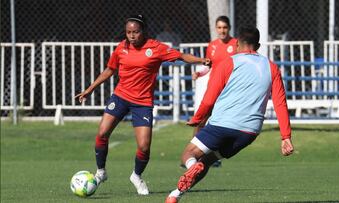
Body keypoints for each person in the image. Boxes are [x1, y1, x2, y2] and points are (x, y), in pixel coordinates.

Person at [74, 14, 210, 196]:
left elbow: (181, 56)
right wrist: (89, 89)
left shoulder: (156, 48)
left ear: (143, 31)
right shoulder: (121, 47)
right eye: (128, 32)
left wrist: (201, 61)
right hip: (120, 97)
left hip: (142, 103)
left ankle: (136, 176)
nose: (131, 35)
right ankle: (101, 172)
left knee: (144, 146)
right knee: (102, 132)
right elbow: (110, 70)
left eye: (135, 32)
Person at [165, 25, 294, 203]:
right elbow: (280, 103)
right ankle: (175, 195)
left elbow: (210, 97)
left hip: (222, 124)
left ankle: (191, 167)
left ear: (237, 44)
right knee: (207, 162)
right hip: (248, 132)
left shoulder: (229, 62)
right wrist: (285, 136)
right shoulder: (271, 68)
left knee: (189, 155)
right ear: (258, 46)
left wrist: (198, 118)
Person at [192, 15, 238, 167]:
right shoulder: (212, 46)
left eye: (224, 27)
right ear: (216, 29)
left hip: (229, 90)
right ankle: (192, 153)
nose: (222, 30)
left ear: (229, 28)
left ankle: (214, 157)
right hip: (213, 87)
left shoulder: (236, 44)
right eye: (219, 27)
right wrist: (199, 73)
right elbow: (208, 66)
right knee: (202, 120)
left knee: (222, 123)